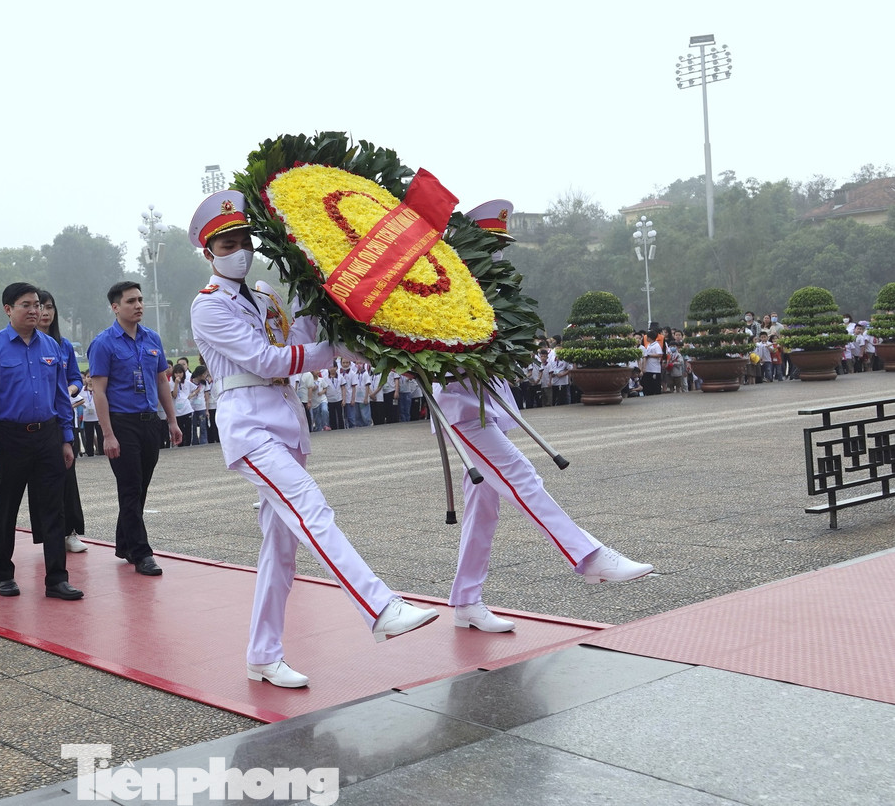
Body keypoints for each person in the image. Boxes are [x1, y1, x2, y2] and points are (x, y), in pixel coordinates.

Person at [188, 191, 438, 689]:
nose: (240, 251)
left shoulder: (265, 297)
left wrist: (321, 295)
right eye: (227, 244)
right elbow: (267, 360)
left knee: (280, 550)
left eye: (244, 241)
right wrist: (331, 351)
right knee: (311, 508)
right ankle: (380, 607)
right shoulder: (208, 306)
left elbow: (297, 338)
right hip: (250, 428)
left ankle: (263, 655)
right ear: (208, 252)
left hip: (285, 424)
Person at [433, 200, 653, 634]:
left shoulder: (488, 292)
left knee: (483, 508)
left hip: (486, 405)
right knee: (522, 476)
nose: (499, 256)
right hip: (462, 409)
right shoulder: (442, 290)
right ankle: (589, 556)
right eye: (490, 247)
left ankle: (467, 601)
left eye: (501, 247)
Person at [0, 282, 82, 600]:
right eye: (27, 305)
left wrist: (66, 439)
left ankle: (57, 579)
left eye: (38, 305)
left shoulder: (51, 346)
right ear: (8, 309)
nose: (35, 310)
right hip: (10, 438)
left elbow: (61, 397)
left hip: (47, 435)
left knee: (53, 509)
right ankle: (5, 576)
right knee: (6, 509)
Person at [87, 280, 183, 577]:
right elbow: (99, 391)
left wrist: (171, 420)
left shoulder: (152, 338)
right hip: (121, 423)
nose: (138, 305)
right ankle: (142, 553)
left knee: (140, 488)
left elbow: (162, 381)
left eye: (140, 299)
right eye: (131, 301)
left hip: (149, 422)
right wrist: (107, 434)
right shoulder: (104, 343)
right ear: (115, 307)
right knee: (129, 488)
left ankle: (125, 543)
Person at [37, 290, 89, 553]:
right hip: (36, 423)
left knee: (67, 476)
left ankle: (70, 532)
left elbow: (76, 378)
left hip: (63, 421)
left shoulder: (64, 345)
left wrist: (68, 389)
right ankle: (47, 534)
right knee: (40, 481)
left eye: (49, 307)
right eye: (40, 307)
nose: (45, 312)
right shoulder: (25, 345)